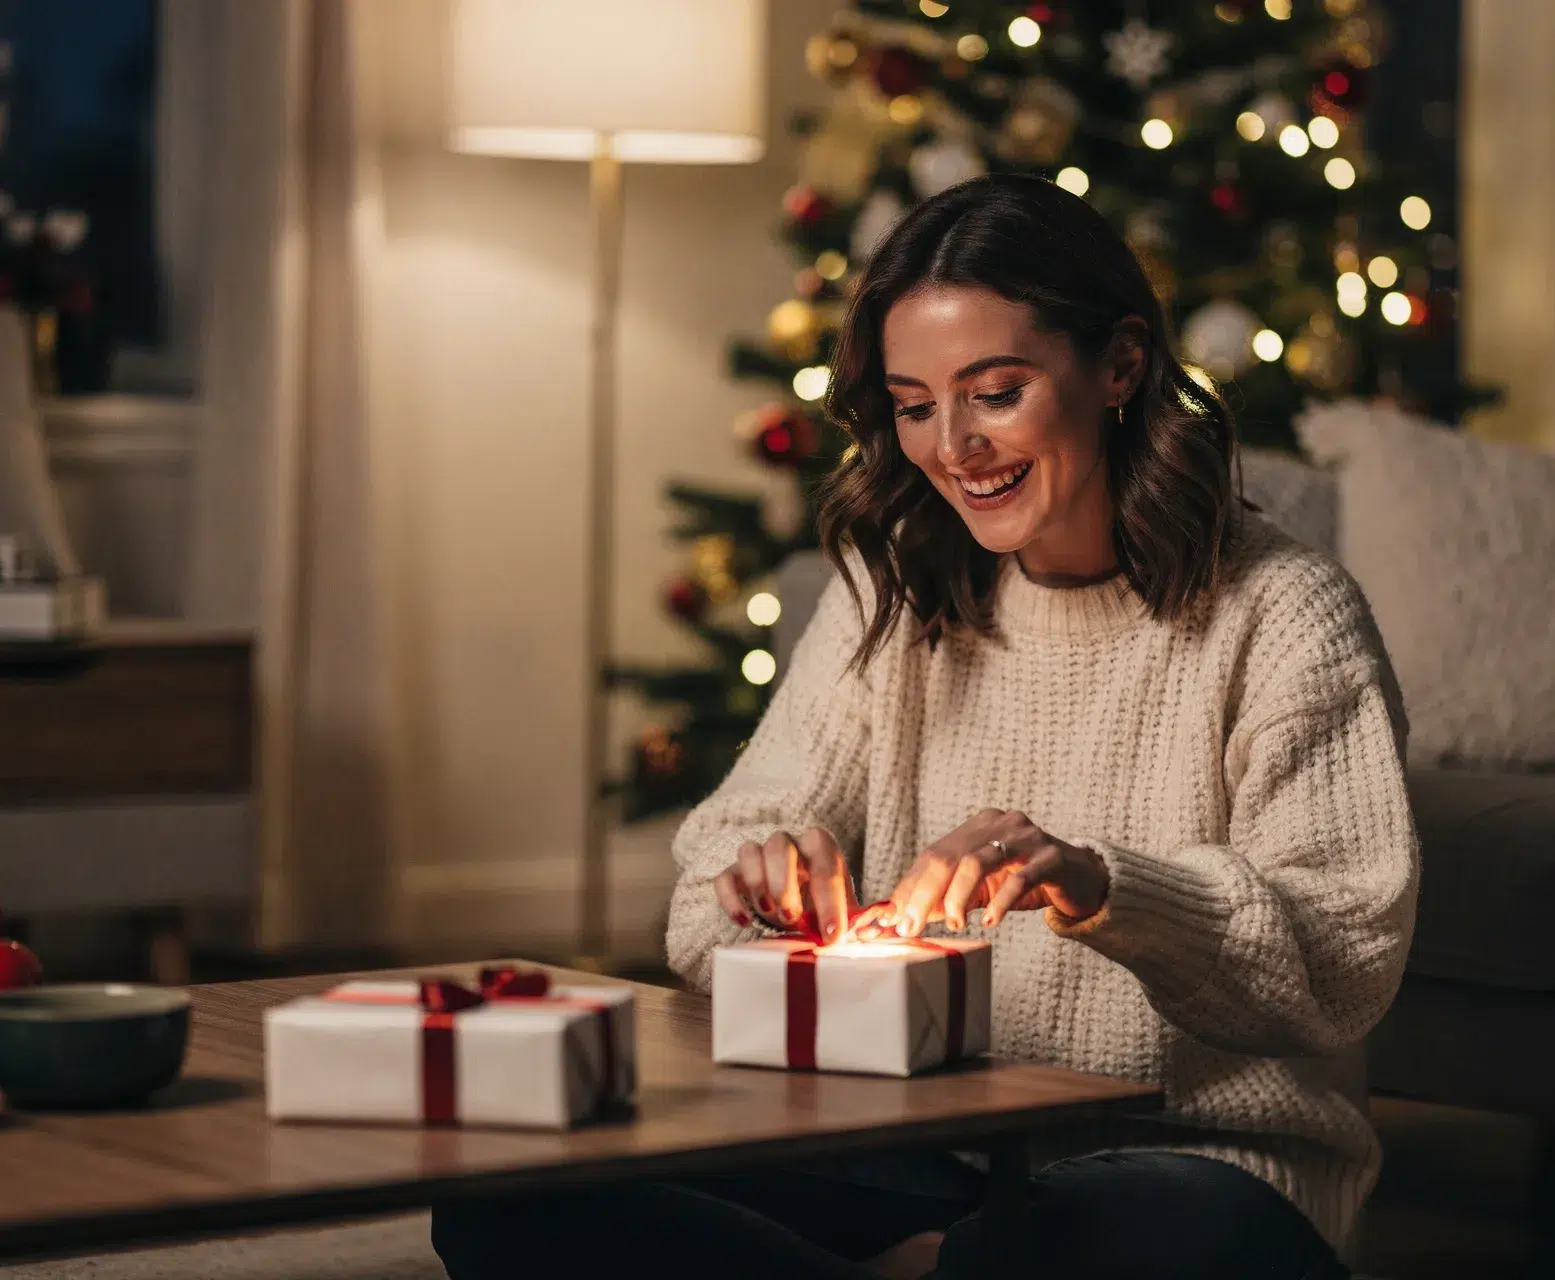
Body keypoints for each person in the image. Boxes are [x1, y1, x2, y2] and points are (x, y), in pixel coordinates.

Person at [432, 174, 1418, 1280]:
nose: (953, 447)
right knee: (507, 1192)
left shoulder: (1285, 611)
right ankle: (935, 1260)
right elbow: (707, 898)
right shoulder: (892, 589)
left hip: (1185, 1170)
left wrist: (1102, 885)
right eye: (912, 405)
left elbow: (1342, 962)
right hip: (922, 1145)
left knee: (1150, 1241)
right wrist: (760, 890)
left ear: (1121, 365)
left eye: (995, 392)